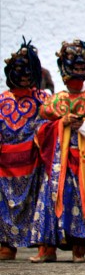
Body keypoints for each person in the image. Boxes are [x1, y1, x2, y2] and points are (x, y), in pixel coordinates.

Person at [31, 40, 85, 263]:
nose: (78, 71)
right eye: (73, 66)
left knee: (80, 203)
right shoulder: (54, 101)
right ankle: (46, 249)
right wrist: (61, 123)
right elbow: (39, 130)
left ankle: (79, 250)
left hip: (82, 162)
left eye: (82, 67)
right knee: (50, 200)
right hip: (58, 163)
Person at [0, 39, 50, 260]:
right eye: (19, 70)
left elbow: (52, 123)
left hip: (35, 162)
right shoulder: (1, 101)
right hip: (4, 164)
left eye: (30, 70)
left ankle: (45, 246)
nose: (24, 75)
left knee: (40, 201)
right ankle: (7, 246)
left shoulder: (44, 100)